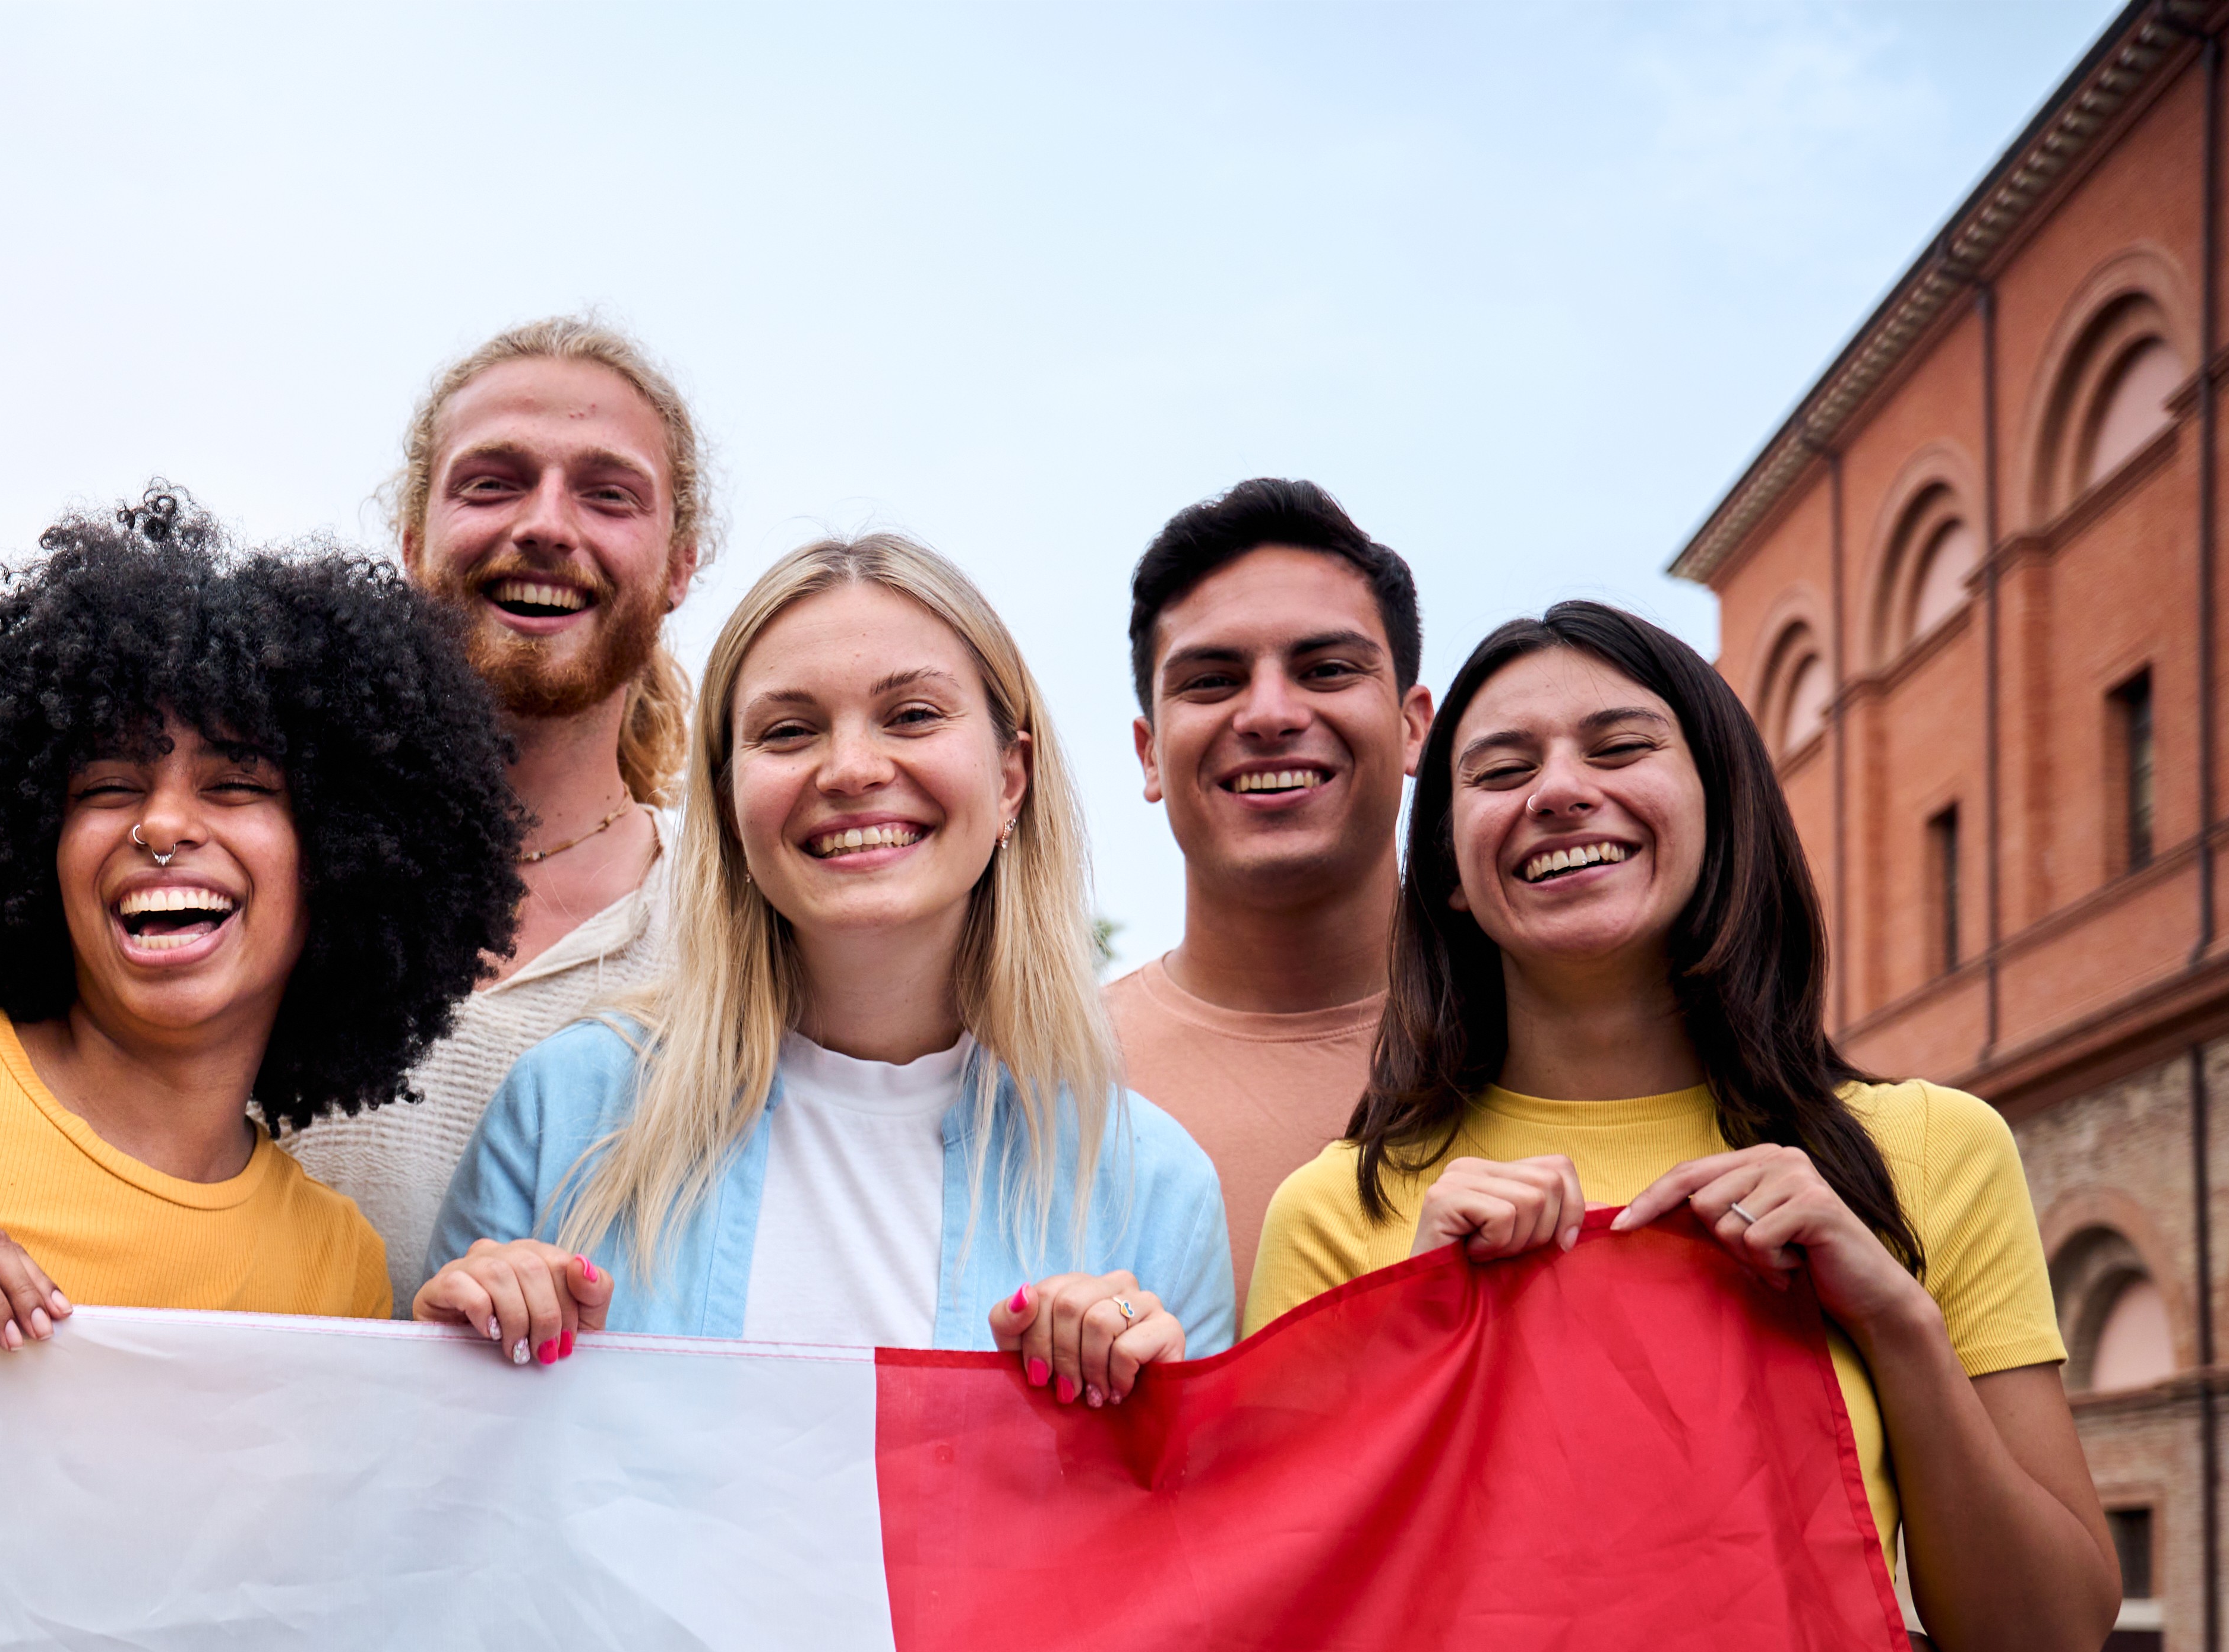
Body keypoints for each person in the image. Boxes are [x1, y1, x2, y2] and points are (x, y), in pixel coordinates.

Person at [1245, 602, 2113, 1652]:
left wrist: (1895, 1320)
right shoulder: (1339, 1206)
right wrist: (1417, 1335)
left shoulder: (1932, 1151)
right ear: (1451, 869)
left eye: (1619, 747)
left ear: (1718, 807)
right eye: (1502, 769)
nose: (1559, 791)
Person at [0, 491, 523, 1337]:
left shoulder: (340, 1268)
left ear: (348, 855)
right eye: (109, 787)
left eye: (236, 786)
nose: (162, 827)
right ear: (38, 836)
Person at [421, 534, 1231, 1399]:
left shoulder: (1152, 1185)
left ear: (1011, 777)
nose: (851, 768)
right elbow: (437, 1491)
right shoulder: (562, 1113)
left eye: (914, 715)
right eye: (789, 730)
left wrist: (1144, 1416)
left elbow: (1194, 1523)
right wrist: (442, 1354)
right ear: (730, 806)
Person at [280, 318, 710, 1301]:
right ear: (410, 541)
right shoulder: (263, 874)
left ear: (680, 563)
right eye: (494, 482)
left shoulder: (748, 925)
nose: (548, 526)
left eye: (608, 495)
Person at [1102, 479, 1433, 1306]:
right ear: (1149, 752)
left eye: (1326, 669)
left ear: (1413, 726)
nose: (1271, 713)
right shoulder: (1040, 1082)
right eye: (1212, 681)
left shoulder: (1558, 1051)